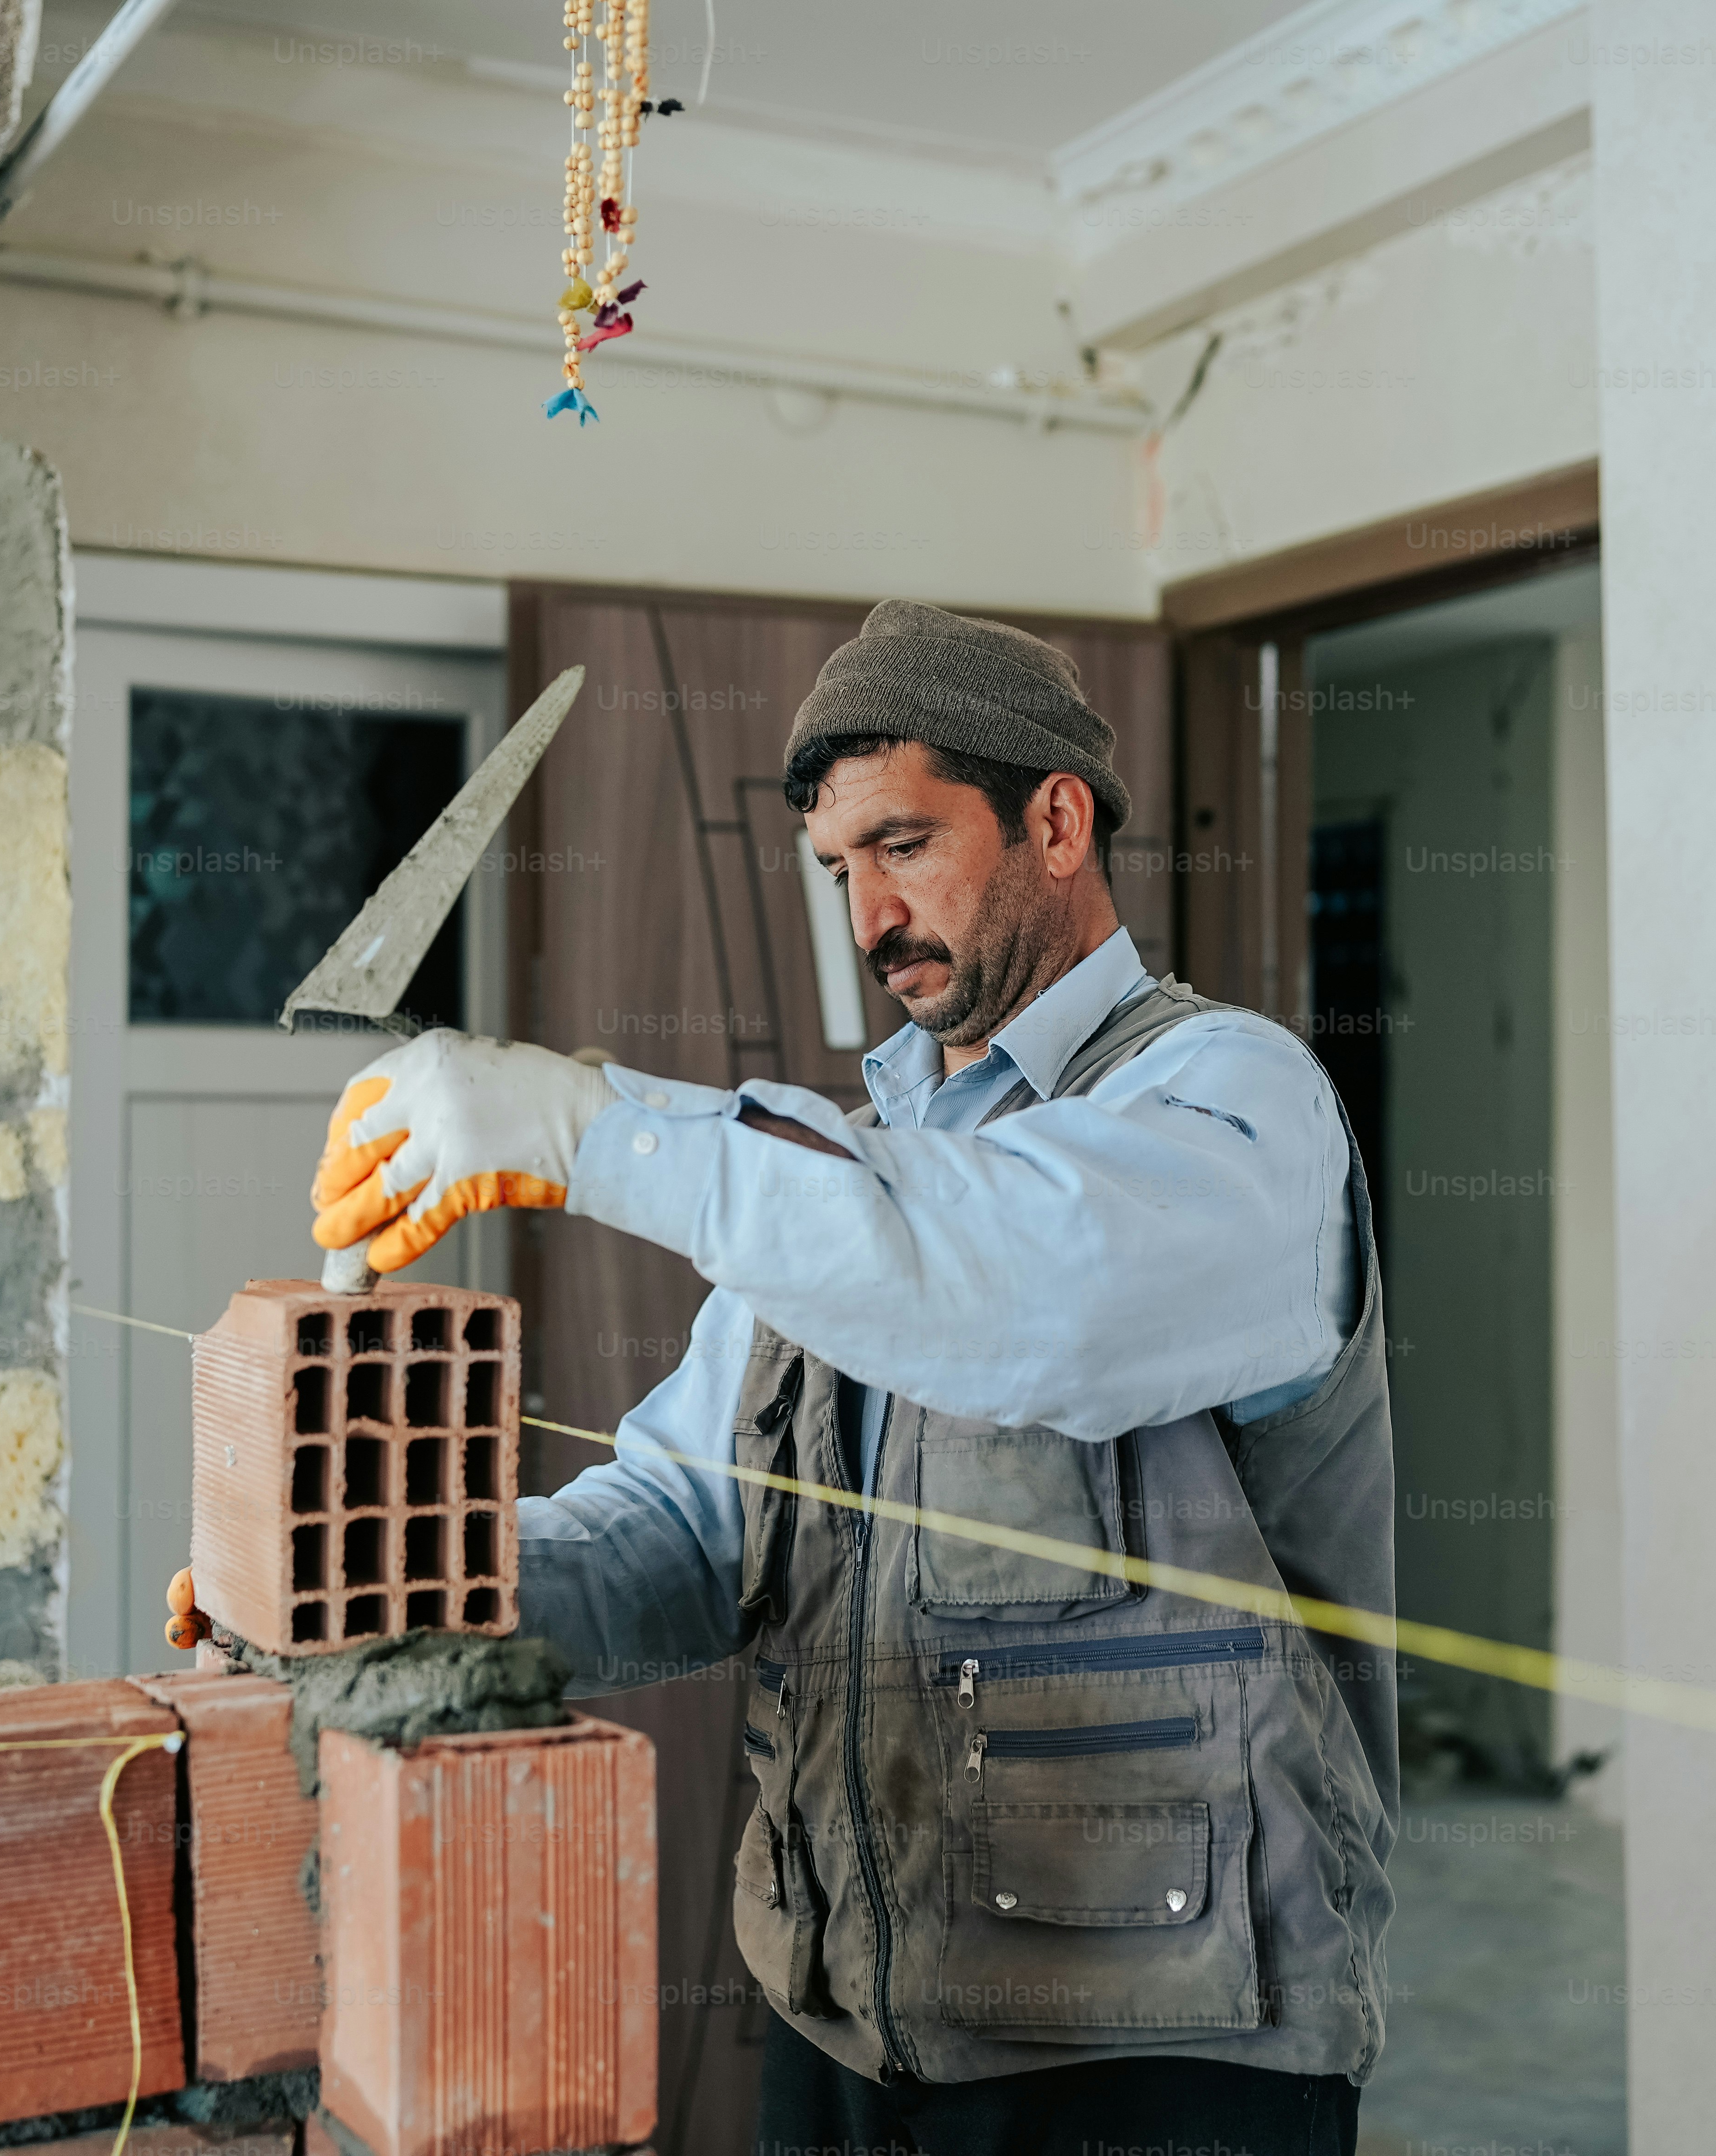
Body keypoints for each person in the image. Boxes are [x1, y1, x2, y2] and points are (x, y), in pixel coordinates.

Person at [281, 599, 1398, 2156]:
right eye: (838, 872)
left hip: (1161, 2048)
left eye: (906, 846)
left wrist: (588, 1128)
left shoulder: (1234, 1104)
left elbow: (1026, 1292)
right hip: (846, 2016)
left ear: (1057, 820)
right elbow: (687, 1526)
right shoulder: (843, 1173)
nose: (872, 917)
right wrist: (408, 1593)